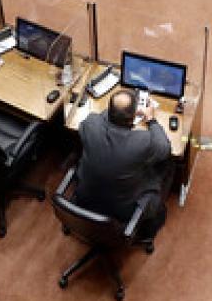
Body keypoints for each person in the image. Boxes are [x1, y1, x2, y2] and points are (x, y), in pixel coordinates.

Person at [75, 89, 175, 240]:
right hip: (122, 211)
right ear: (133, 116)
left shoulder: (90, 124)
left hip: (85, 199)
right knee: (168, 165)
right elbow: (164, 149)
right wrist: (151, 120)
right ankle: (149, 225)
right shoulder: (142, 141)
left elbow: (93, 122)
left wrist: (116, 111)